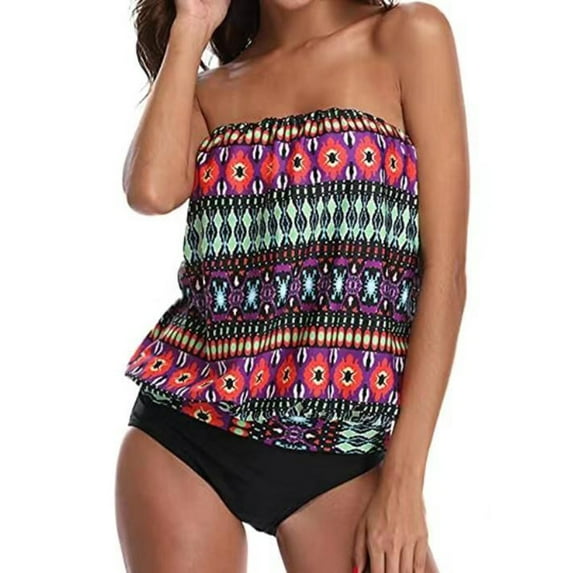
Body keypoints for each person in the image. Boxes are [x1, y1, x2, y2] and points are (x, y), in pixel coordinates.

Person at [115, 0, 469, 571]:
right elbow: (150, 192)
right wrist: (192, 26)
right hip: (188, 430)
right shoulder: (210, 91)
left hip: (340, 450)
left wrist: (404, 485)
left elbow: (445, 273)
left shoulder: (407, 36)